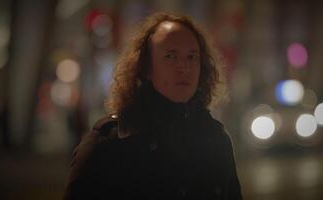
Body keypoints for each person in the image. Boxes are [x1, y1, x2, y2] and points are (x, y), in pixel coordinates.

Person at [63, 12, 242, 200]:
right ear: (146, 67)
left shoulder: (216, 140)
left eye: (191, 56)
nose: (184, 67)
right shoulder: (108, 144)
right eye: (170, 56)